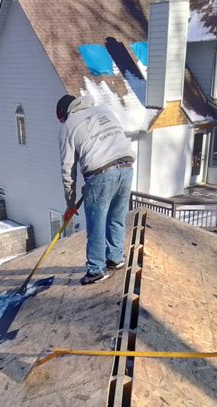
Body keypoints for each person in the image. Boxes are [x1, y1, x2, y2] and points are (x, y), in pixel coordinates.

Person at [57, 94, 135, 285]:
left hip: (100, 175)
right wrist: (93, 178)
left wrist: (70, 203)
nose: (62, 123)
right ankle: (115, 258)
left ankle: (95, 270)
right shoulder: (104, 110)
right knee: (116, 218)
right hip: (126, 169)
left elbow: (68, 170)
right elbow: (108, 145)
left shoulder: (68, 126)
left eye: (60, 120)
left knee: (96, 224)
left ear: (64, 113)